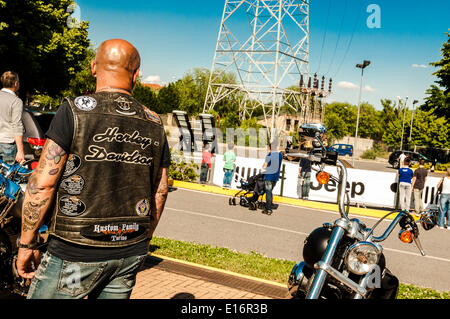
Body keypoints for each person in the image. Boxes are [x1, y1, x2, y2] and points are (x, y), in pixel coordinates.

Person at [16, 39, 171, 299]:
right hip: (128, 253)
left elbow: (42, 183)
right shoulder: (154, 123)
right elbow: (161, 190)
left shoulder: (74, 111)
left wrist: (27, 243)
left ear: (93, 68)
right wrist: (144, 240)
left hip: (75, 255)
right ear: (136, 74)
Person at [0, 71, 25, 164]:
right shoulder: (16, 101)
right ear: (16, 84)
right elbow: (17, 125)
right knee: (9, 175)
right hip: (7, 143)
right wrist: (20, 151)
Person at [262, 143, 283, 215]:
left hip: (269, 176)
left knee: (268, 192)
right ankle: (270, 204)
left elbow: (264, 166)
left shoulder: (269, 155)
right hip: (275, 177)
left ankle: (268, 209)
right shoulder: (280, 155)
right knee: (270, 192)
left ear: (270, 147)